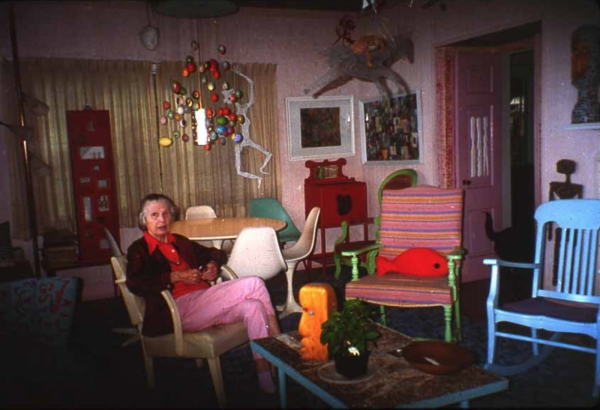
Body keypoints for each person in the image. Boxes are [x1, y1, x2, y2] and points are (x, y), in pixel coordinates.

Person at [126, 193, 280, 394]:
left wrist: (212, 265)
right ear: (143, 219)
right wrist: (174, 277)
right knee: (255, 283)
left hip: (203, 303)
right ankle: (279, 344)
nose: (161, 219)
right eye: (154, 215)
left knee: (254, 307)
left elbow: (216, 254)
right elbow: (135, 282)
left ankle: (263, 373)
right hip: (177, 310)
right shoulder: (139, 249)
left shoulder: (179, 241)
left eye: (165, 213)